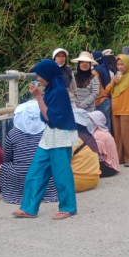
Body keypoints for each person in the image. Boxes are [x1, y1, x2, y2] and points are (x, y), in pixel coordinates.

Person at [12, 59, 78, 220]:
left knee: (61, 173)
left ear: (48, 74)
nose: (39, 79)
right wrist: (40, 97)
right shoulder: (51, 90)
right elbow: (46, 117)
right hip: (49, 135)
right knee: (36, 171)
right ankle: (29, 208)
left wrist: (38, 97)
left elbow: (51, 117)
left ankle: (68, 207)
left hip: (61, 136)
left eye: (40, 75)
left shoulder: (59, 91)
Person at [0, 100, 58, 205]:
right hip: (45, 176)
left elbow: (7, 158)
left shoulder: (13, 134)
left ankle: (16, 193)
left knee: (3, 167)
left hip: (20, 175)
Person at [105, 54, 129, 167]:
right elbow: (107, 90)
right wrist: (113, 82)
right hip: (116, 110)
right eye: (118, 64)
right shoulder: (117, 76)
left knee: (127, 136)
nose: (120, 66)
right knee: (118, 136)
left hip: (127, 110)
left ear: (127, 64)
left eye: (122, 64)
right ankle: (120, 158)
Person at [90, 110, 120, 177]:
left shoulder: (98, 135)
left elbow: (95, 153)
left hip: (108, 167)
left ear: (95, 122)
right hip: (113, 166)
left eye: (91, 120)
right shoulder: (104, 131)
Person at [92, 50, 113, 132]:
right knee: (107, 123)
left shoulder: (95, 71)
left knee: (101, 124)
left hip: (100, 100)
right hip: (107, 98)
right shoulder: (104, 68)